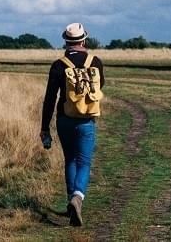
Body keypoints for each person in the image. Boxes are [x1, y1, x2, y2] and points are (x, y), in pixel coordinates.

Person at [40, 22, 105, 227]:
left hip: (64, 119)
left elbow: (50, 98)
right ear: (84, 40)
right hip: (86, 119)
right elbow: (99, 86)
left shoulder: (59, 65)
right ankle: (78, 197)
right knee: (84, 162)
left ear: (66, 42)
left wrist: (44, 127)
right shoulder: (96, 62)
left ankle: (71, 201)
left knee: (70, 160)